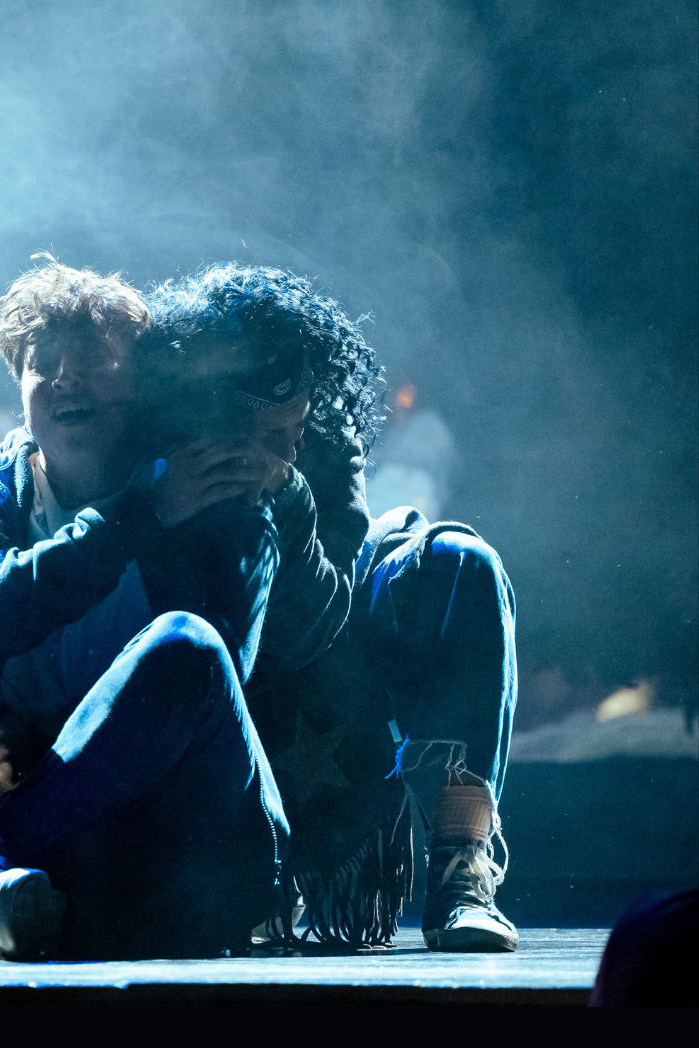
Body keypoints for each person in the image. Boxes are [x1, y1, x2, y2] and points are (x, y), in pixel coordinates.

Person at [0, 256, 291, 960]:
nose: (64, 379)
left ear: (138, 383)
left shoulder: (214, 499)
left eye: (89, 360)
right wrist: (135, 516)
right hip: (24, 878)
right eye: (43, 364)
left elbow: (203, 695)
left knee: (185, 644)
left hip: (165, 863)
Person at [144, 264, 519, 953]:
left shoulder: (323, 438)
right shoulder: (153, 445)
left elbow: (317, 623)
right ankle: (243, 876)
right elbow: (40, 467)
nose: (291, 445)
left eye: (297, 426)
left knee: (461, 562)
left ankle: (461, 870)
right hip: (192, 667)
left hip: (325, 632)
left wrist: (288, 499)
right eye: (269, 435)